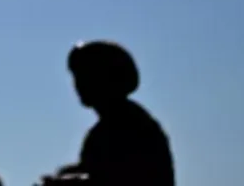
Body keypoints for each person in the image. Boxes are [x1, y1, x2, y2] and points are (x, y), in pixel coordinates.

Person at [40, 41, 175, 186]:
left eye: (87, 75)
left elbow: (122, 177)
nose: (78, 84)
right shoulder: (104, 131)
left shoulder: (133, 126)